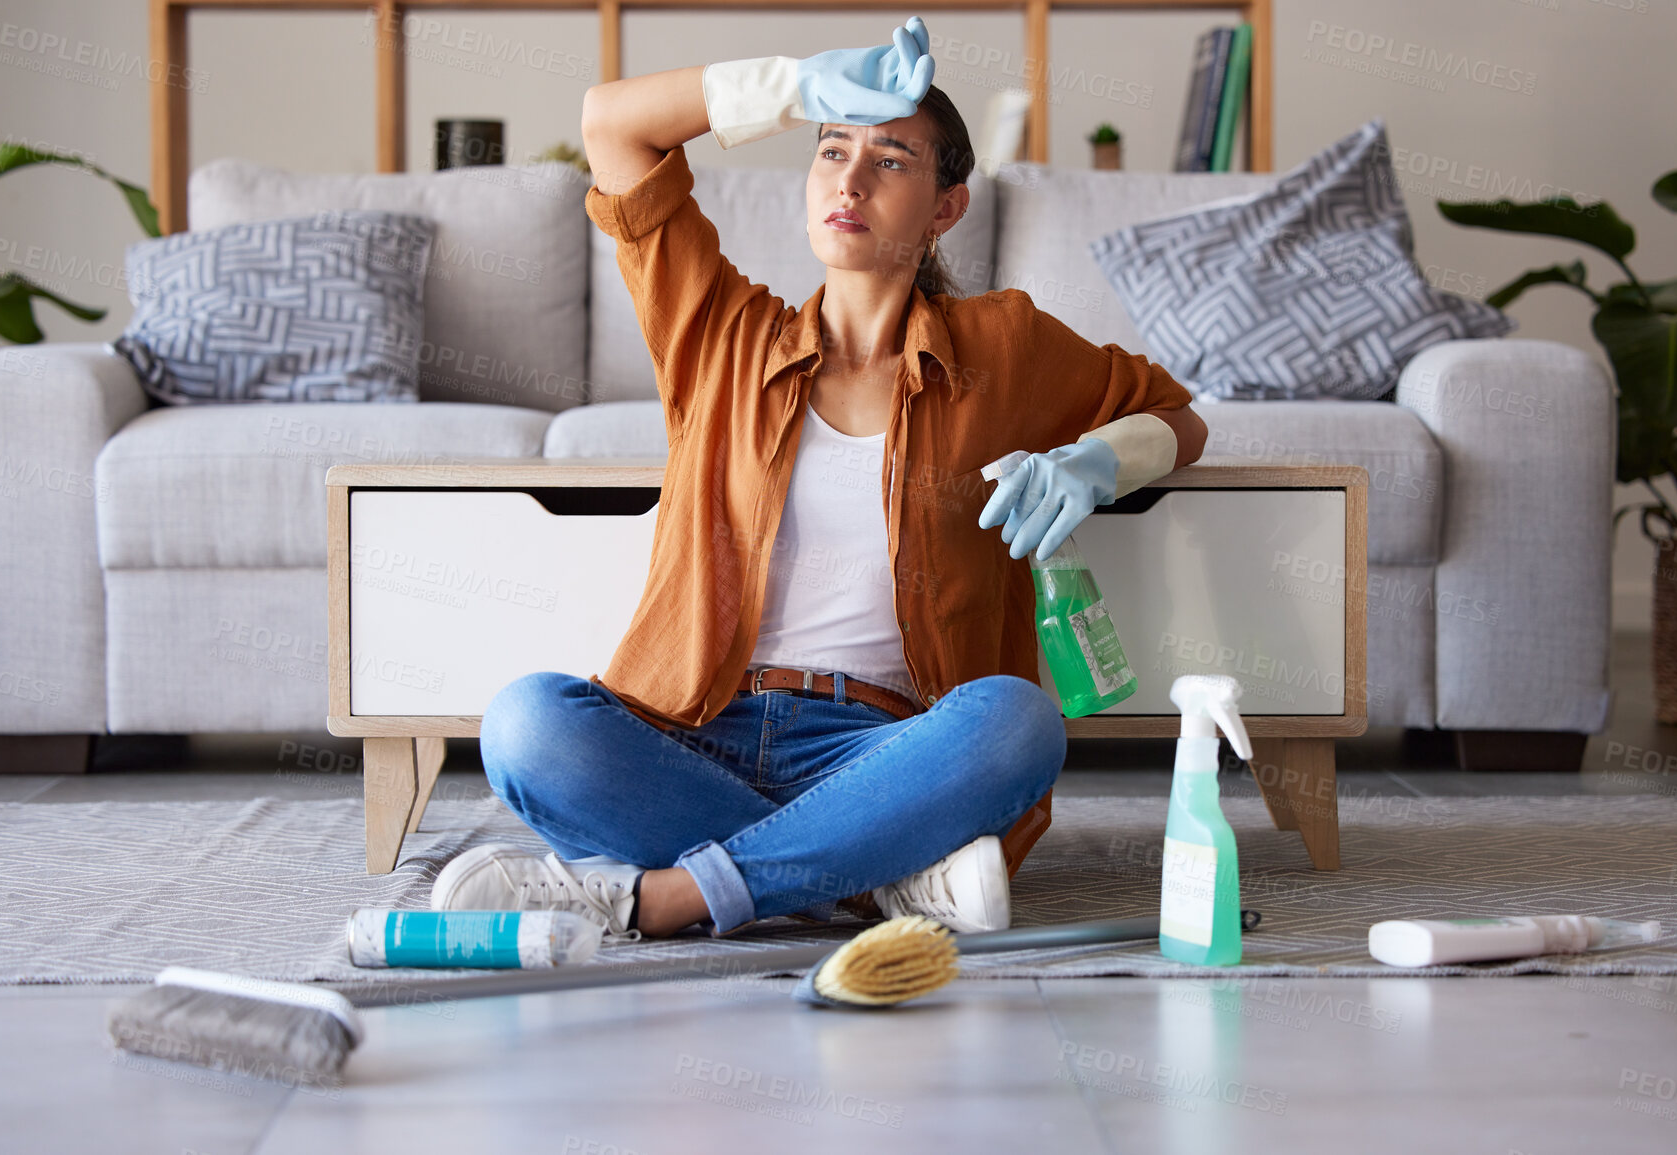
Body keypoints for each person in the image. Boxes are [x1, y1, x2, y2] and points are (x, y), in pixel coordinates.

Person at [429, 17, 1207, 942]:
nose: (848, 179)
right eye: (832, 149)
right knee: (527, 724)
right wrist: (798, 85)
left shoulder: (1001, 346)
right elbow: (613, 125)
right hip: (697, 730)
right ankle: (876, 881)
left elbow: (1174, 414)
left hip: (881, 750)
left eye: (890, 160)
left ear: (945, 207)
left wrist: (1093, 461)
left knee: (1017, 721)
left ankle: (666, 895)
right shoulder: (721, 332)